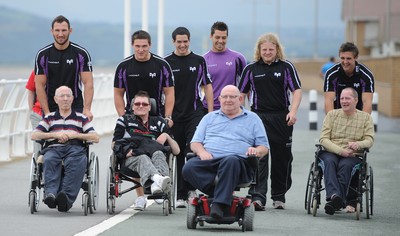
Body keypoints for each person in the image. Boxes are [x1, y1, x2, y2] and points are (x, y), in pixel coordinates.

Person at [182, 85, 269, 219]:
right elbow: (195, 143)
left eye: (232, 97)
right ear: (220, 99)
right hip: (211, 161)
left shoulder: (253, 119)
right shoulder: (209, 118)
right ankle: (222, 194)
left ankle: (219, 204)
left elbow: (264, 148)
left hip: (239, 163)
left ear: (240, 99)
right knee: (188, 167)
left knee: (230, 160)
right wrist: (201, 151)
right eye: (225, 97)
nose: (228, 100)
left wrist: (255, 150)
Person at [238, 32, 302, 210]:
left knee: (282, 159)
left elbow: (297, 90)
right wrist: (241, 114)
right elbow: (241, 94)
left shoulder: (286, 67)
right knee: (259, 157)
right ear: (259, 50)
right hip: (258, 117)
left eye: (270, 49)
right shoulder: (250, 69)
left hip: (282, 117)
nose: (267, 52)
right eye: (264, 49)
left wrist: (293, 111)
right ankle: (258, 197)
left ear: (277, 50)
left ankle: (279, 195)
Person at [113, 29, 175, 209]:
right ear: (133, 46)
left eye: (144, 46)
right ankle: (140, 195)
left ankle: (159, 188)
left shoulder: (161, 65)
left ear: (150, 45)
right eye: (138, 46)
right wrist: (122, 117)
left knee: (157, 150)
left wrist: (168, 117)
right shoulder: (124, 67)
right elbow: (118, 94)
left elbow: (169, 92)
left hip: (156, 115)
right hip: (132, 115)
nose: (141, 50)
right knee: (137, 150)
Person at [164, 26, 214, 208]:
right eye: (179, 42)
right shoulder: (166, 62)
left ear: (189, 41)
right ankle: (180, 195)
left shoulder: (199, 61)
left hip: (195, 113)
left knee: (191, 152)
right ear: (173, 42)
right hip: (174, 116)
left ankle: (192, 190)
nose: (183, 45)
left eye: (185, 41)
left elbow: (207, 86)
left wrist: (209, 113)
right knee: (177, 153)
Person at [31, 86, 99, 212]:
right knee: (49, 159)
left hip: (75, 148)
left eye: (68, 96)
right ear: (56, 99)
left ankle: (65, 197)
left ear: (73, 99)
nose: (65, 99)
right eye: (62, 96)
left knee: (76, 161)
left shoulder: (81, 118)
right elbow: (34, 135)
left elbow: (95, 137)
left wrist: (75, 135)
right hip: (53, 147)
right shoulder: (49, 118)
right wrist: (54, 135)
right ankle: (50, 195)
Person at [112, 91, 180, 211]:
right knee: (143, 157)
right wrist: (124, 152)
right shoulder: (124, 120)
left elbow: (177, 151)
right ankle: (158, 182)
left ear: (150, 107)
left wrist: (167, 136)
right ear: (132, 107)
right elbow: (114, 143)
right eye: (137, 104)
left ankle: (155, 184)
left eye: (144, 104)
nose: (141, 106)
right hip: (132, 158)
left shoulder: (159, 122)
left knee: (159, 153)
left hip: (155, 157)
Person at [319, 87, 374, 215]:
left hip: (352, 155)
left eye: (347, 98)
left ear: (356, 100)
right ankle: (335, 197)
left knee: (345, 165)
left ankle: (336, 199)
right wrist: (340, 151)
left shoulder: (365, 118)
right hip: (331, 151)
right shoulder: (332, 115)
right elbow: (324, 139)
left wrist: (358, 144)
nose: (344, 101)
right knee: (330, 162)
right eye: (342, 98)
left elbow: (369, 140)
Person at [34, 15, 94, 120]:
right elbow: (39, 85)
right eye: (57, 30)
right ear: (51, 31)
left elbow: (88, 83)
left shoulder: (81, 53)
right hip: (51, 107)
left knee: (75, 136)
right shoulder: (43, 55)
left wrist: (87, 109)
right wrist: (47, 112)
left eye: (64, 30)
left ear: (70, 31)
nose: (60, 34)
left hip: (75, 106)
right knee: (52, 136)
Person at [203, 21, 247, 111]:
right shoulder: (203, 60)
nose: (220, 41)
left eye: (224, 38)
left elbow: (247, 87)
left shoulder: (238, 58)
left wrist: (241, 108)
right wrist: (210, 112)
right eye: (217, 37)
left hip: (231, 109)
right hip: (209, 109)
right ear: (211, 36)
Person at [324, 42, 374, 114]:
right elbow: (329, 100)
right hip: (338, 117)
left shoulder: (366, 75)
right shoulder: (331, 74)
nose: (345, 62)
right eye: (342, 58)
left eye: (348, 58)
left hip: (358, 117)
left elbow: (367, 103)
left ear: (356, 57)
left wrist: (363, 123)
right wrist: (331, 122)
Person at [25, 70, 42, 155]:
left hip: (58, 113)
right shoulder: (37, 70)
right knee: (38, 141)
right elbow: (31, 91)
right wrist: (32, 111)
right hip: (38, 112)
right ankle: (38, 164)